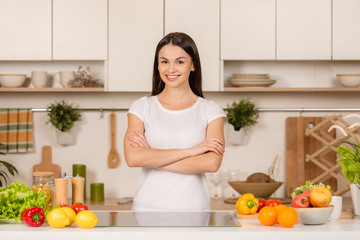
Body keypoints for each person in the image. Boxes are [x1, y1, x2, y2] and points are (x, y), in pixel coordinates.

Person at [124, 32, 226, 211]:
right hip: (147, 209)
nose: (171, 69)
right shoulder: (141, 107)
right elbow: (132, 158)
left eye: (179, 61)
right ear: (158, 65)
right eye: (164, 61)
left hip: (193, 210)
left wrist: (151, 156)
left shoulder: (210, 110)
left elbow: (211, 163)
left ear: (192, 65)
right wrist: (191, 151)